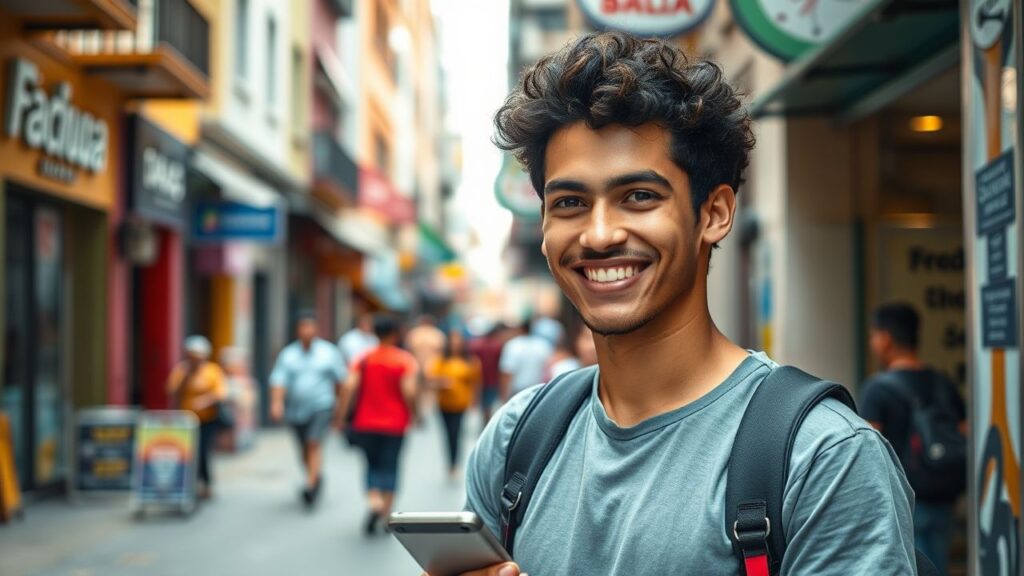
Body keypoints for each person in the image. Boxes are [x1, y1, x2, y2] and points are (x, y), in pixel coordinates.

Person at [454, 32, 914, 576]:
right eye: (571, 202)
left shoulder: (825, 459)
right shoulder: (516, 439)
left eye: (639, 197)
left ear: (714, 213)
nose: (599, 235)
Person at [860, 303, 967, 575]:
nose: (873, 342)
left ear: (885, 338)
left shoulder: (877, 389)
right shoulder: (943, 381)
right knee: (937, 562)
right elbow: (964, 432)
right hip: (945, 493)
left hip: (904, 499)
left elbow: (867, 450)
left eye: (873, 335)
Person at [336, 314, 418, 535]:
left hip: (366, 423)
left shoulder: (363, 358)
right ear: (394, 334)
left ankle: (374, 502)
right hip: (395, 424)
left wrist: (341, 417)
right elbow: (409, 390)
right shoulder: (404, 360)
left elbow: (348, 388)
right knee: (391, 466)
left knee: (371, 464)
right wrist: (416, 413)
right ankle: (386, 511)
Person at [269, 313, 346, 508]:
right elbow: (279, 380)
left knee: (313, 442)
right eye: (303, 328)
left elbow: (341, 381)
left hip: (321, 405)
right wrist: (277, 403)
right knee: (303, 448)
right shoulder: (288, 354)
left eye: (310, 327)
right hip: (296, 410)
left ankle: (311, 486)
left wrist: (340, 409)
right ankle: (315, 474)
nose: (306, 332)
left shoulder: (328, 353)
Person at [166, 335, 227, 500]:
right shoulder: (182, 370)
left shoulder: (212, 370)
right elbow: (172, 391)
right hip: (185, 421)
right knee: (186, 452)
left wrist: (205, 401)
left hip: (207, 419)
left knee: (202, 451)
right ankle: (185, 484)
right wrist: (187, 375)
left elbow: (220, 393)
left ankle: (204, 483)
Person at [428, 326, 482, 478]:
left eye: (458, 341)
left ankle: (455, 464)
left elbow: (476, 382)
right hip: (444, 403)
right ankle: (450, 462)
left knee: (456, 432)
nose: (455, 344)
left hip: (461, 403)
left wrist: (474, 400)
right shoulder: (440, 360)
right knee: (447, 434)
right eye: (452, 341)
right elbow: (430, 380)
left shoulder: (470, 361)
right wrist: (441, 383)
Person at [498, 317, 561, 400]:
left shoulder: (513, 345)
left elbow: (507, 372)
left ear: (520, 329)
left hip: (518, 392)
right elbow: (551, 368)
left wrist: (504, 396)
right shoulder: (543, 345)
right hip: (539, 391)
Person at [468, 322, 507, 426]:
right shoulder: (498, 346)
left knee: (483, 405)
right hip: (491, 380)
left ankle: (485, 424)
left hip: (478, 380)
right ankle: (487, 424)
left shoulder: (475, 344)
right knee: (488, 405)